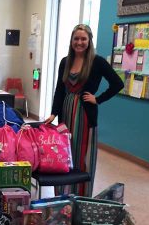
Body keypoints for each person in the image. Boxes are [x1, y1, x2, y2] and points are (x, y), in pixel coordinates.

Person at [44, 24, 124, 197]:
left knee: (82, 155)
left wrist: (98, 99)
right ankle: (62, 197)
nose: (79, 42)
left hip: (85, 116)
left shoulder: (97, 61)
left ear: (89, 41)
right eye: (76, 39)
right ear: (71, 40)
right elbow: (59, 89)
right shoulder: (65, 61)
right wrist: (54, 113)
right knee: (63, 153)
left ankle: (80, 198)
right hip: (66, 114)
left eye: (83, 39)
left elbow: (118, 83)